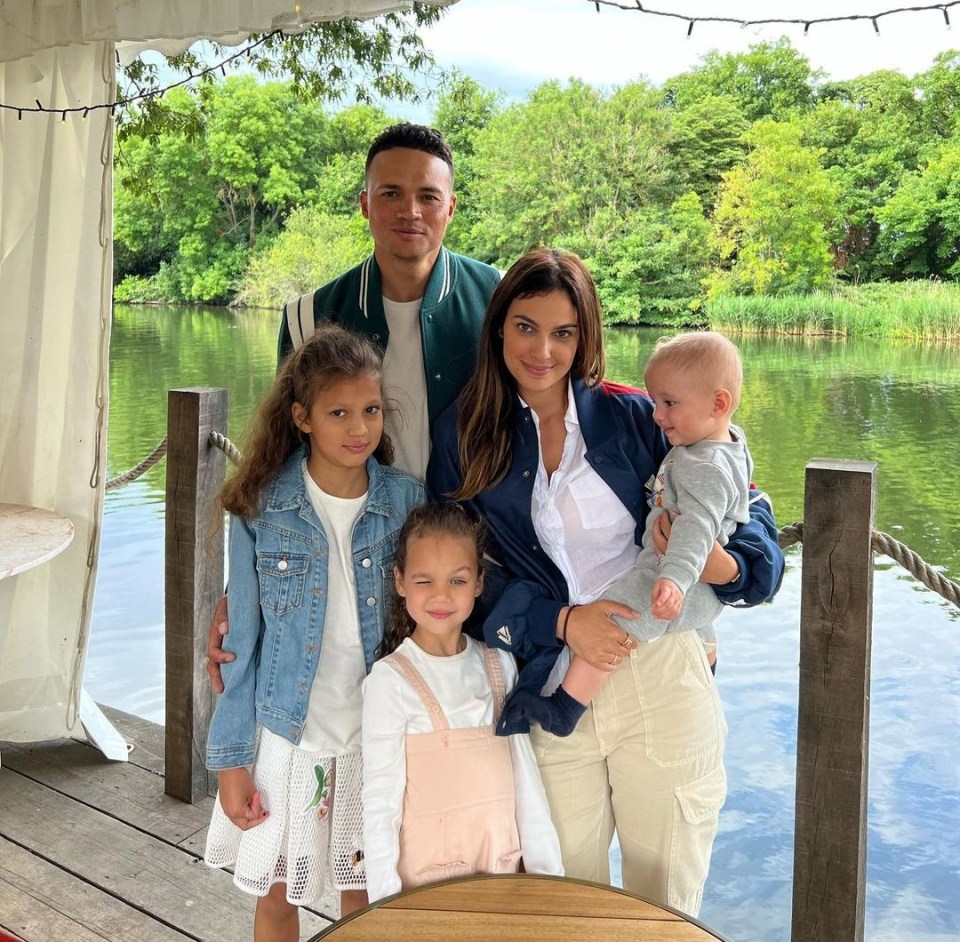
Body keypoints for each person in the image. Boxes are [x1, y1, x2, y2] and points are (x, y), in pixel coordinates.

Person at [426, 249, 784, 917]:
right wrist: (561, 623)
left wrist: (725, 567)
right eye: (526, 326)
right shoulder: (463, 435)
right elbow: (454, 580)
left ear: (585, 337)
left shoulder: (638, 416)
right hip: (554, 689)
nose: (543, 350)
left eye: (564, 332)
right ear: (499, 326)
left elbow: (746, 513)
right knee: (563, 904)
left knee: (666, 903)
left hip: (661, 676)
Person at [208, 122, 500, 691]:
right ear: (365, 203)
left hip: (476, 562)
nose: (409, 210)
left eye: (428, 196)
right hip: (349, 566)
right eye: (390, 193)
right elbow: (283, 467)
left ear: (451, 207)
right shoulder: (308, 317)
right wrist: (243, 591)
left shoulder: (499, 300)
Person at [203, 324, 424, 940]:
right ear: (302, 417)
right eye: (339, 413)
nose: (359, 428)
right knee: (279, 892)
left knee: (366, 894)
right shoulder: (262, 509)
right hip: (286, 738)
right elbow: (240, 648)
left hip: (374, 737)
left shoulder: (407, 502)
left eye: (371, 410)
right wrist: (230, 762)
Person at [499, 331, 755, 738]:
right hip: (675, 582)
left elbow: (700, 528)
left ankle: (566, 706)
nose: (657, 414)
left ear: (718, 403)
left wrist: (688, 576)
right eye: (656, 402)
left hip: (667, 578)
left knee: (615, 614)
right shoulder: (721, 445)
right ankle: (707, 653)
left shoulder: (698, 462)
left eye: (669, 403)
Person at [360, 503, 562, 903]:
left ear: (479, 583)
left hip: (502, 875)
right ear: (399, 582)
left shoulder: (500, 665)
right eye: (424, 581)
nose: (441, 595)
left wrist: (547, 879)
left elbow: (526, 781)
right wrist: (383, 907)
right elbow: (380, 805)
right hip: (425, 891)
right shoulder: (390, 680)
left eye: (457, 581)